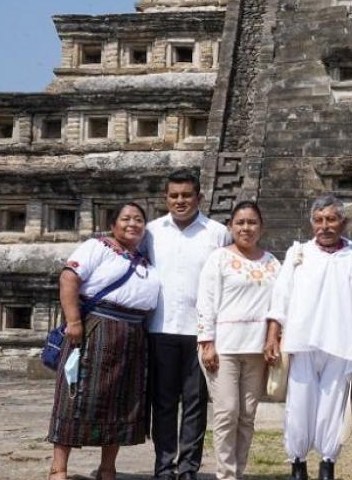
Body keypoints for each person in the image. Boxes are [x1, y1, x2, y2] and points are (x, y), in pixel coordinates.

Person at [48, 203, 160, 480]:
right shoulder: (97, 247)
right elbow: (69, 278)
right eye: (126, 219)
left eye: (138, 219)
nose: (132, 224)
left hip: (133, 336)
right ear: (113, 224)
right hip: (96, 329)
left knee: (122, 401)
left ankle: (107, 468)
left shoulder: (145, 260)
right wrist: (74, 321)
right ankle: (58, 468)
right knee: (76, 395)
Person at [264, 195, 352, 480]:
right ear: (312, 224)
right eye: (319, 220)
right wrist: (273, 335)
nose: (325, 226)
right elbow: (281, 296)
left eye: (331, 220)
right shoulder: (299, 254)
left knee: (333, 408)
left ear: (343, 223)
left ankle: (327, 463)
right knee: (299, 406)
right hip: (302, 341)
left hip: (341, 343)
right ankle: (297, 463)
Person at [146, 169, 231, 480]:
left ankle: (188, 468)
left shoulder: (217, 232)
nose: (180, 201)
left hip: (200, 333)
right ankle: (164, 466)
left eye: (186, 195)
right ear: (166, 198)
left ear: (199, 197)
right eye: (174, 196)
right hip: (161, 328)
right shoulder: (151, 231)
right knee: (163, 403)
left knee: (195, 404)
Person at [196, 201, 281, 480]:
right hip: (223, 349)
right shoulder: (219, 258)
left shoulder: (272, 262)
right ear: (231, 227)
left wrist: (273, 339)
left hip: (257, 349)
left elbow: (278, 306)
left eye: (252, 222)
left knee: (247, 416)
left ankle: (238, 472)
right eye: (240, 222)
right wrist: (207, 341)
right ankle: (226, 475)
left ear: (261, 227)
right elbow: (206, 302)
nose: (246, 228)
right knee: (227, 413)